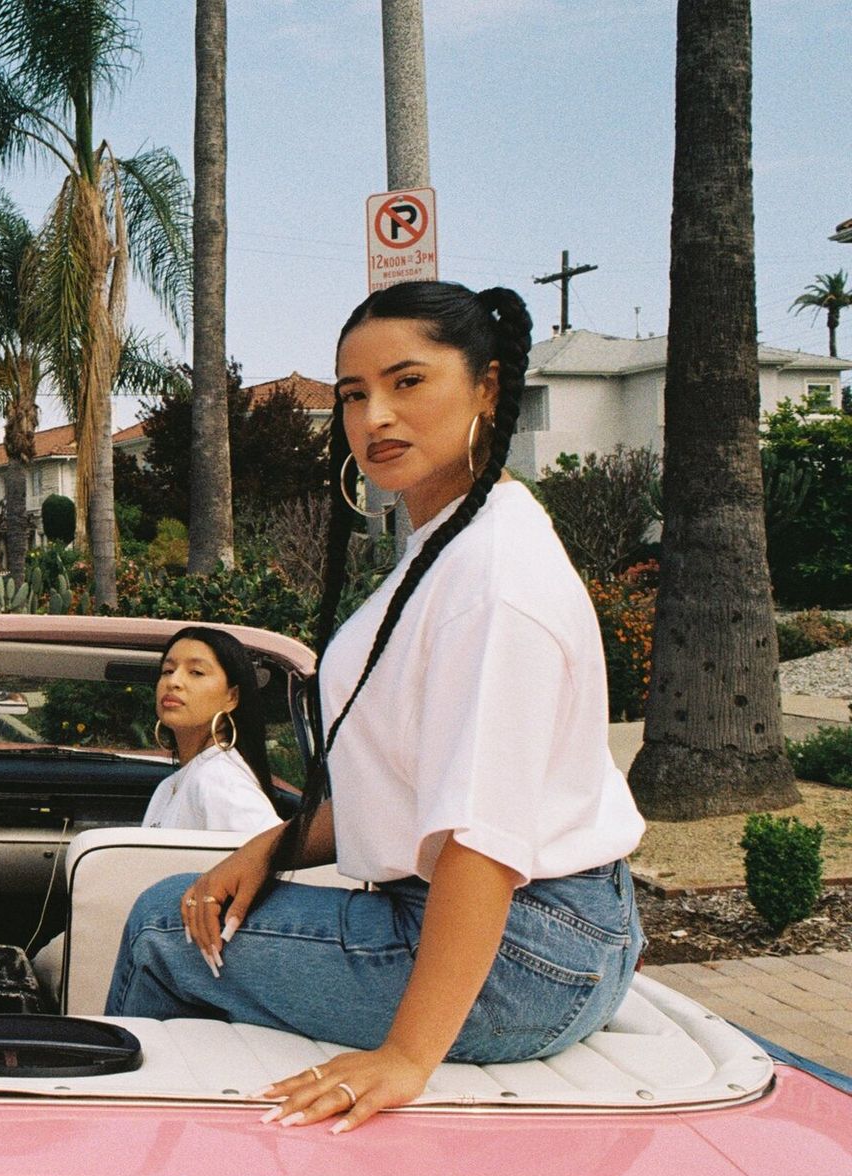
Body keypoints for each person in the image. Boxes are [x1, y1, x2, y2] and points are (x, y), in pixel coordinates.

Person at [106, 281, 645, 1133]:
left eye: (408, 382)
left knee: (155, 929)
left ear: (488, 387)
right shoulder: (453, 543)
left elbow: (483, 837)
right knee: (190, 904)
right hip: (543, 936)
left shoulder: (493, 580)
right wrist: (272, 846)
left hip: (524, 953)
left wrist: (407, 1055)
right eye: (354, 394)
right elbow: (401, 780)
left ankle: (130, 1154)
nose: (374, 417)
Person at [143, 626, 283, 838]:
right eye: (168, 671)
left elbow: (270, 851)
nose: (173, 682)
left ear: (232, 697)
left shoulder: (220, 779)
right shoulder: (171, 785)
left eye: (196, 672)